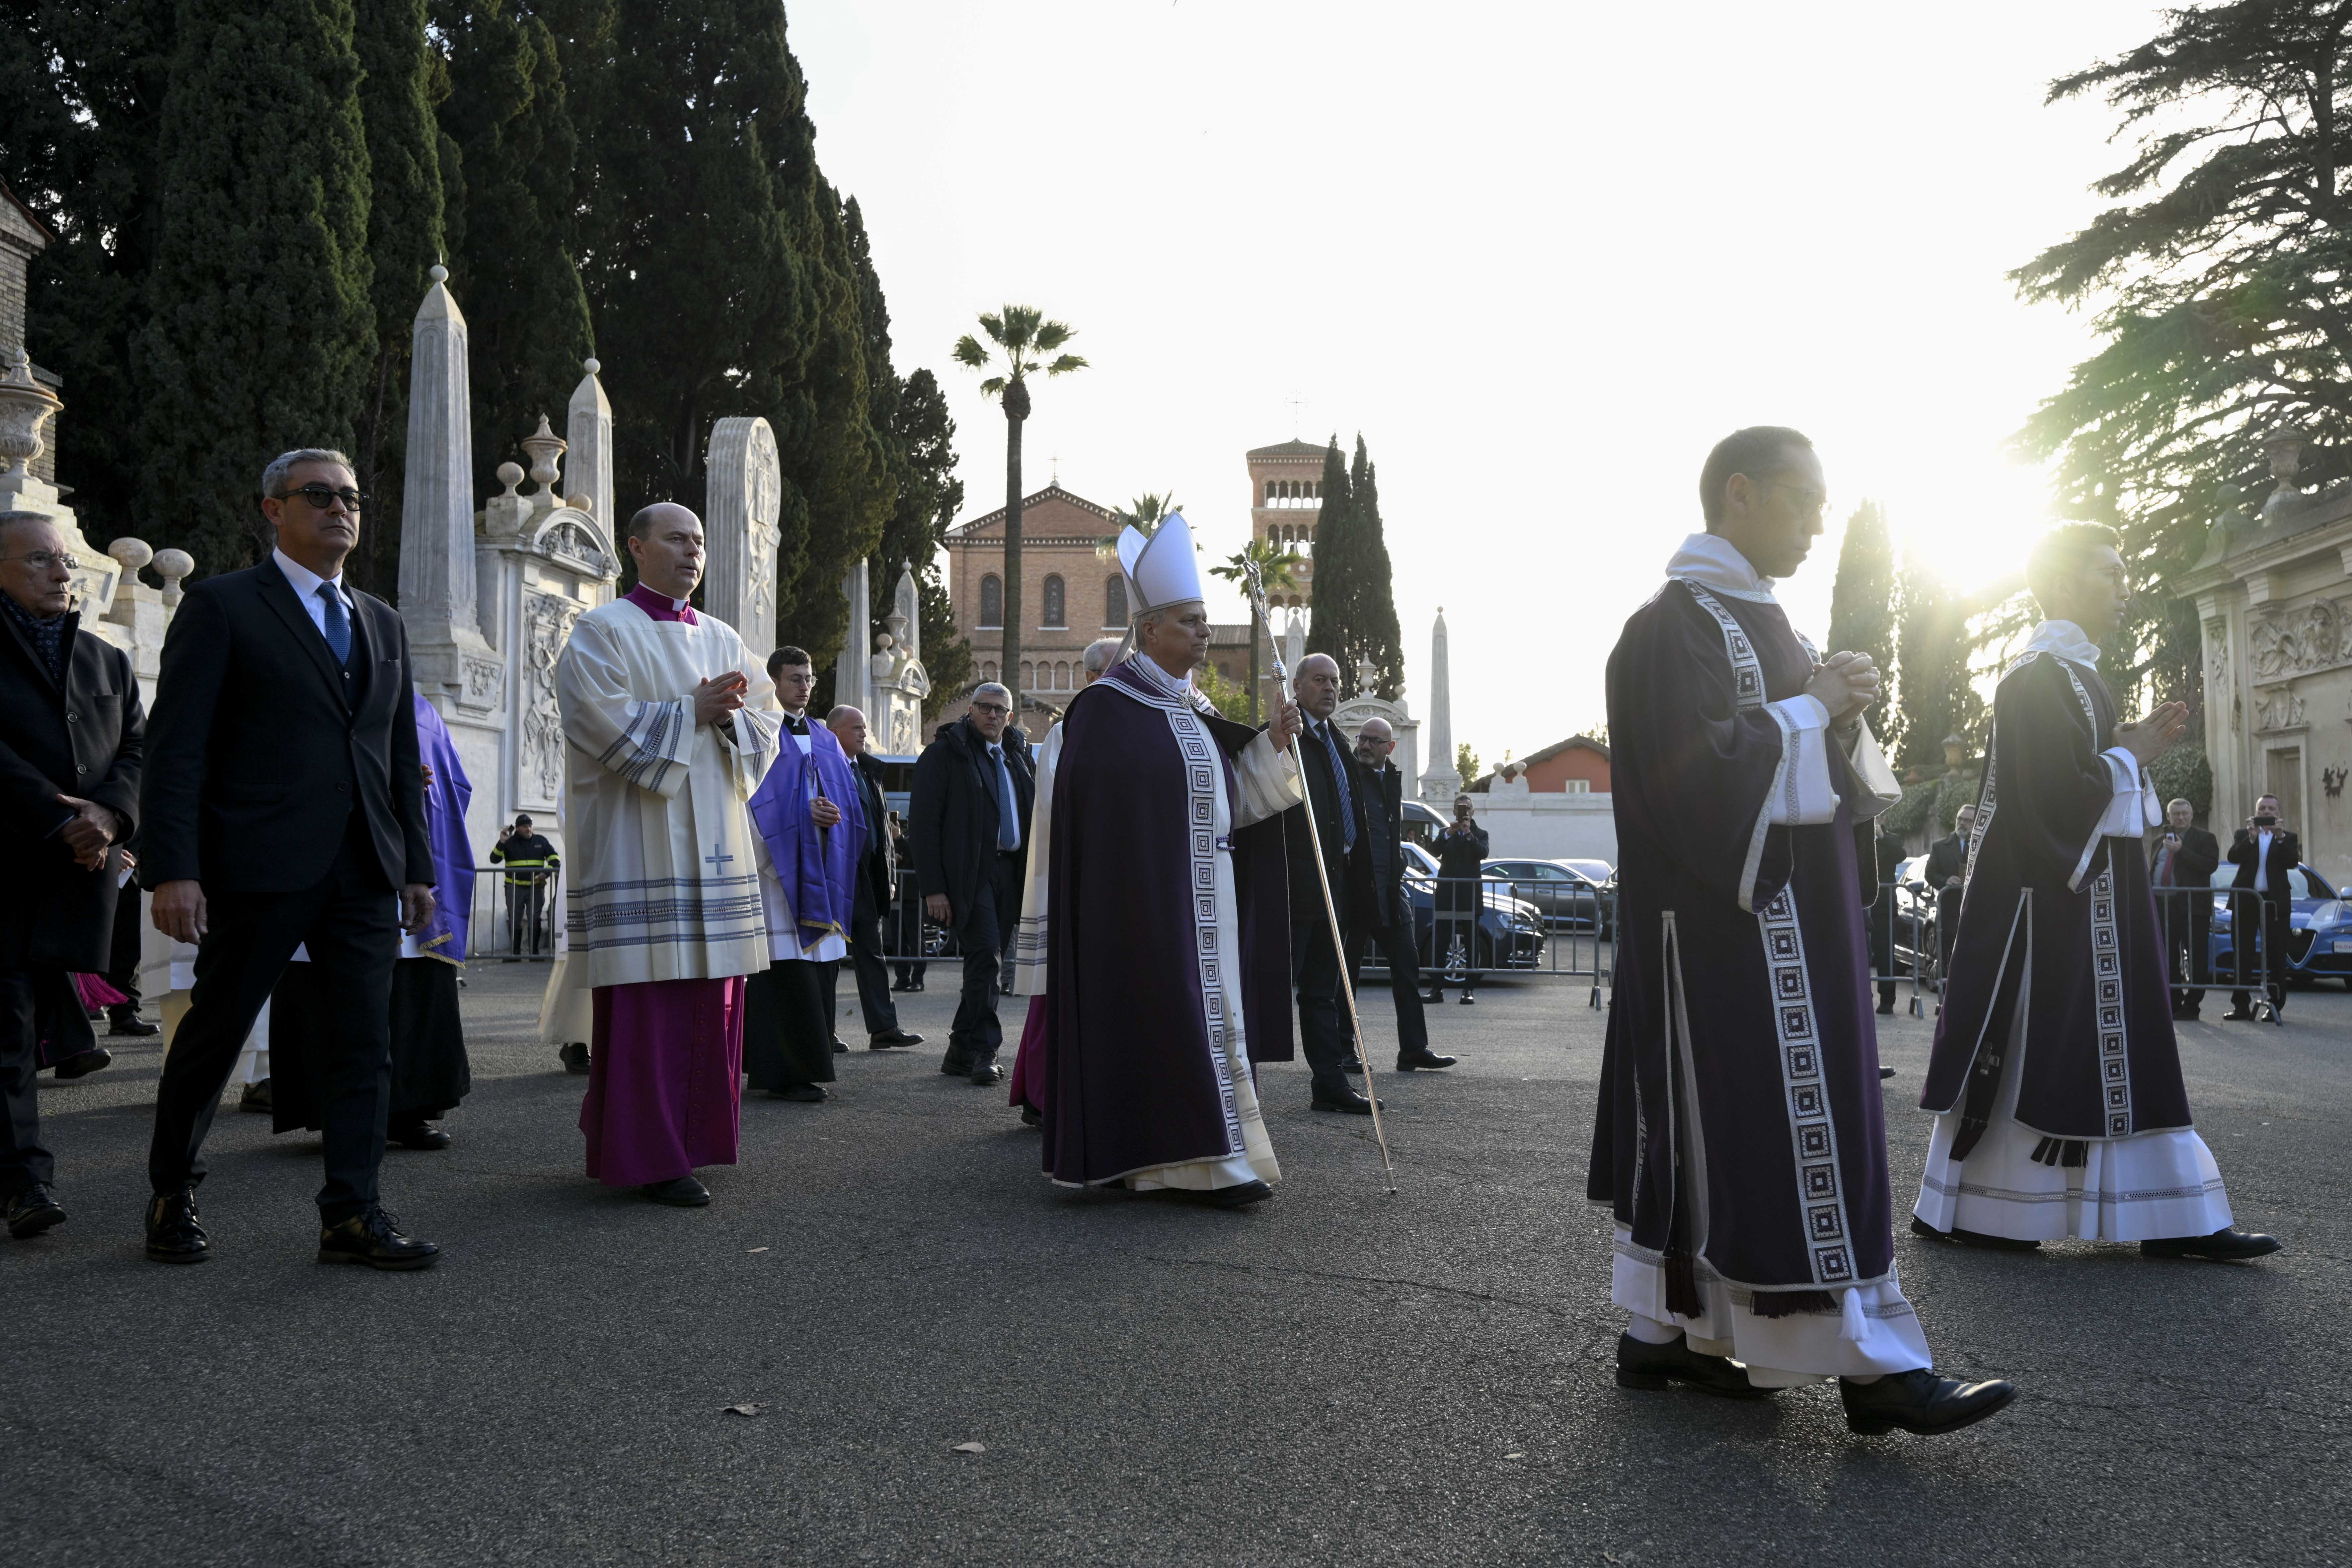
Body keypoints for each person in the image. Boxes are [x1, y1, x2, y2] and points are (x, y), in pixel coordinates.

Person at [1592, 426, 2013, 1435]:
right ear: (1739, 493)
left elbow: (1803, 768)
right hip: (1727, 938)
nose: (1820, 523)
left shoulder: (1766, 622)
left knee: (1743, 1137)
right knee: (1785, 1131)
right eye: (1804, 500)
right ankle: (1870, 1369)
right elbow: (1691, 780)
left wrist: (1840, 713)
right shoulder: (1667, 628)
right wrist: (1809, 708)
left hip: (1787, 924)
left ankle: (1666, 1334)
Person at [1916, 523, 2278, 1264]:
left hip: (2098, 902)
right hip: (2052, 913)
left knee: (2133, 1043)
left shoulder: (2078, 676)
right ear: (2063, 584)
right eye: (2109, 573)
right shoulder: (2034, 679)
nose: (2124, 587)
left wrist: (2126, 753)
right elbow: (2048, 802)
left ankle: (2172, 1214)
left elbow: (2083, 785)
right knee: (2045, 1047)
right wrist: (2130, 753)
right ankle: (1989, 1208)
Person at [140, 450, 439, 1269]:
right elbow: (176, 750)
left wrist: (415, 864)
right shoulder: (223, 606)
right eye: (319, 495)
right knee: (217, 1033)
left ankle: (353, 1212)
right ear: (274, 509)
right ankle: (172, 1190)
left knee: (362, 1044)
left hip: (364, 868)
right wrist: (174, 868)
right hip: (257, 865)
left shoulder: (381, 621)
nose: (341, 508)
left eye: (351, 497)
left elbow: (396, 754)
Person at [1023, 514, 1304, 1202]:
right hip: (1143, 908)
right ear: (1150, 630)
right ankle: (1190, 1163)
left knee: (1207, 1023)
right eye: (1191, 621)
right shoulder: (1105, 709)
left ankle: (1192, 1159)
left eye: (1205, 621)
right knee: (1165, 1022)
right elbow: (1097, 819)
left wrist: (1270, 743)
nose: (1205, 633)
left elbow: (1229, 801)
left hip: (1208, 901)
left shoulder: (1193, 707)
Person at [549, 501, 781, 1207]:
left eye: (699, 541)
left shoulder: (723, 637)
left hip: (716, 848)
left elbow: (767, 722)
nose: (692, 552)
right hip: (639, 850)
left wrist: (732, 723)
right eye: (676, 539)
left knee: (714, 1001)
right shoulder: (602, 631)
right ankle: (648, 1153)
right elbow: (595, 721)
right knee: (651, 1007)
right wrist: (691, 713)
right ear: (637, 547)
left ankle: (697, 1140)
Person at [0, 508, 144, 1240]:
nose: (62, 571)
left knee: (30, 1022)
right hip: (8, 864)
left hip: (79, 873)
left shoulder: (106, 659)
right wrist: (62, 820)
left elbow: (138, 751)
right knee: (8, 1028)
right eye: (39, 560)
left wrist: (110, 818)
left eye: (63, 558)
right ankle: (25, 1181)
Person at [268, 694, 476, 1151]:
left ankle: (409, 1110)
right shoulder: (309, 688)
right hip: (332, 857)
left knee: (409, 994)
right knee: (335, 991)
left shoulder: (420, 709)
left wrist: (418, 791)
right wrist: (379, 780)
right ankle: (338, 1114)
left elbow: (454, 785)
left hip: (406, 862)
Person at [1005, 636, 1121, 1122]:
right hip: (1080, 881)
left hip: (1123, 888)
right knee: (1059, 994)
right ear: (1092, 678)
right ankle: (1044, 1095)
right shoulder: (1069, 729)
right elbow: (1059, 807)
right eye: (1118, 668)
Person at [742, 646, 859, 1104]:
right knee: (785, 975)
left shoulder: (826, 739)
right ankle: (784, 1073)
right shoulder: (759, 732)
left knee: (818, 975)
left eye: (809, 678)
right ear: (773, 682)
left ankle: (811, 1062)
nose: (805, 686)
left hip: (823, 870)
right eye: (795, 678)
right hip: (779, 875)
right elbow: (749, 800)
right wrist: (800, 816)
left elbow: (847, 801)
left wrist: (832, 816)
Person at [911, 681, 1033, 1085]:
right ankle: (984, 1050)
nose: (991, 715)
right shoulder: (945, 753)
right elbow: (924, 825)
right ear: (970, 711)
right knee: (985, 956)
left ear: (1010, 717)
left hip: (1010, 872)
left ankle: (960, 1051)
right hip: (969, 874)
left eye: (999, 710)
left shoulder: (1017, 755)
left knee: (986, 959)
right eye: (984, 707)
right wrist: (933, 888)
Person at [1282, 653, 1380, 1113]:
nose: (1330, 688)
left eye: (1335, 681)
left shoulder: (1337, 740)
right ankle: (1234, 1090)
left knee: (1322, 991)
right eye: (1319, 680)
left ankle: (1329, 1084)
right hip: (1295, 887)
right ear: (1297, 686)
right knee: (1268, 989)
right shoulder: (1285, 736)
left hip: (1334, 885)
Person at [1346, 716, 1455, 1072]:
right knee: (1346, 976)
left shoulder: (1391, 779)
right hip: (1356, 890)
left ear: (1390, 747)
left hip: (1392, 893)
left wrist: (1398, 870)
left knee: (1407, 968)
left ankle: (1413, 1049)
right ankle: (1344, 1052)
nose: (1366, 745)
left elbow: (1390, 835)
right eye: (1362, 738)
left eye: (1374, 741)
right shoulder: (1348, 776)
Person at [826, 704, 921, 1052]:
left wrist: (889, 876)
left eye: (864, 727)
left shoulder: (868, 771)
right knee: (828, 956)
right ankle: (823, 1032)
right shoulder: (824, 767)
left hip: (867, 877)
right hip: (835, 874)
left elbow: (883, 831)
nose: (864, 734)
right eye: (857, 728)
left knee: (872, 952)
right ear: (834, 733)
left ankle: (884, 1028)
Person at [2225, 794, 2298, 1021]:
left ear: (2278, 813)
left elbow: (2292, 862)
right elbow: (2233, 857)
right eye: (2262, 809)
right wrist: (2251, 838)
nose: (2266, 812)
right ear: (2256, 812)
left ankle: (2274, 1005)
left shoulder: (2288, 837)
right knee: (2242, 954)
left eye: (2271, 809)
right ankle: (2241, 1006)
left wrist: (2279, 838)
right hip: (2246, 901)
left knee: (2276, 954)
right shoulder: (2244, 834)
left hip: (2274, 904)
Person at [2150, 798, 2219, 1020]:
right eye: (2176, 814)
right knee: (2167, 956)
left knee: (2196, 957)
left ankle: (2192, 1005)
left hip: (2192, 907)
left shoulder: (2205, 838)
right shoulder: (2158, 841)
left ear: (2191, 815)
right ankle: (2173, 1001)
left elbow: (2210, 865)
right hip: (2163, 906)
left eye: (2184, 813)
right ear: (2168, 817)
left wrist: (2181, 851)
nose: (2180, 817)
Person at [1424, 794, 1489, 1005]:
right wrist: (1448, 835)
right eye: (1461, 808)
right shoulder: (1446, 832)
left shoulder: (1481, 834)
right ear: (1454, 812)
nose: (1465, 812)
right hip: (1447, 896)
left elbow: (1483, 853)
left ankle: (1468, 990)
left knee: (1472, 944)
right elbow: (1433, 851)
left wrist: (1468, 834)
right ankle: (1437, 989)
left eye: (1468, 808)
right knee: (1441, 942)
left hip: (1469, 896)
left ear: (1473, 812)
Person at [490, 814, 559, 958]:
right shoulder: (509, 842)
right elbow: (494, 859)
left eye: (530, 826)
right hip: (515, 888)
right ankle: (515, 955)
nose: (529, 829)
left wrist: (545, 874)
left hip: (536, 888)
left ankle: (534, 954)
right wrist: (502, 842)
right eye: (525, 827)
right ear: (518, 828)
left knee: (535, 919)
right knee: (515, 920)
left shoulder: (541, 841)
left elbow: (555, 860)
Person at [1922, 803, 1974, 993]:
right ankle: (1948, 993)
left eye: (1968, 820)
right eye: (1960, 819)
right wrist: (1946, 881)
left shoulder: (1985, 846)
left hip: (1976, 910)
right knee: (1950, 952)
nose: (1962, 823)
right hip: (1950, 910)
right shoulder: (1940, 846)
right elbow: (1930, 874)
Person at [1867, 822, 1907, 1015]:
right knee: (1860, 952)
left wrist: (1881, 836)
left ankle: (1887, 1001)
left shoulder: (1891, 839)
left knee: (1885, 954)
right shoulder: (1854, 833)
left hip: (1883, 906)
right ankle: (1862, 998)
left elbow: (1900, 855)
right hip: (1858, 904)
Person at [886, 811, 925, 993]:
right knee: (899, 939)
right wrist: (893, 858)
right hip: (897, 895)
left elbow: (918, 858)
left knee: (916, 938)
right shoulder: (902, 839)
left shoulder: (920, 837)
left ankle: (918, 979)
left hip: (913, 896)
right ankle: (902, 978)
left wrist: (899, 838)